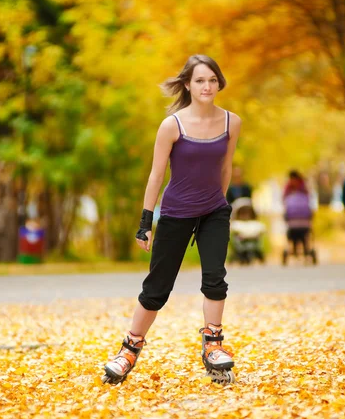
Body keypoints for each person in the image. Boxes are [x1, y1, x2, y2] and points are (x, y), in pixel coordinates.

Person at [103, 54, 241, 385]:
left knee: (215, 278)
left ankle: (213, 346)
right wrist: (145, 222)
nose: (207, 86)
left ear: (219, 82)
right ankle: (129, 349)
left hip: (214, 211)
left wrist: (219, 203)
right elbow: (155, 175)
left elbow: (225, 167)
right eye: (199, 81)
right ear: (187, 85)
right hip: (176, 212)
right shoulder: (172, 125)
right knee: (157, 288)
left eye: (212, 80)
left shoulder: (231, 122)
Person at [283, 171, 313, 258]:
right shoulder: (288, 188)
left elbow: (308, 200)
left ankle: (305, 249)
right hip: (293, 220)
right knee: (294, 235)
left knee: (303, 235)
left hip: (303, 220)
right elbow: (284, 200)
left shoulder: (303, 187)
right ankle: (295, 250)